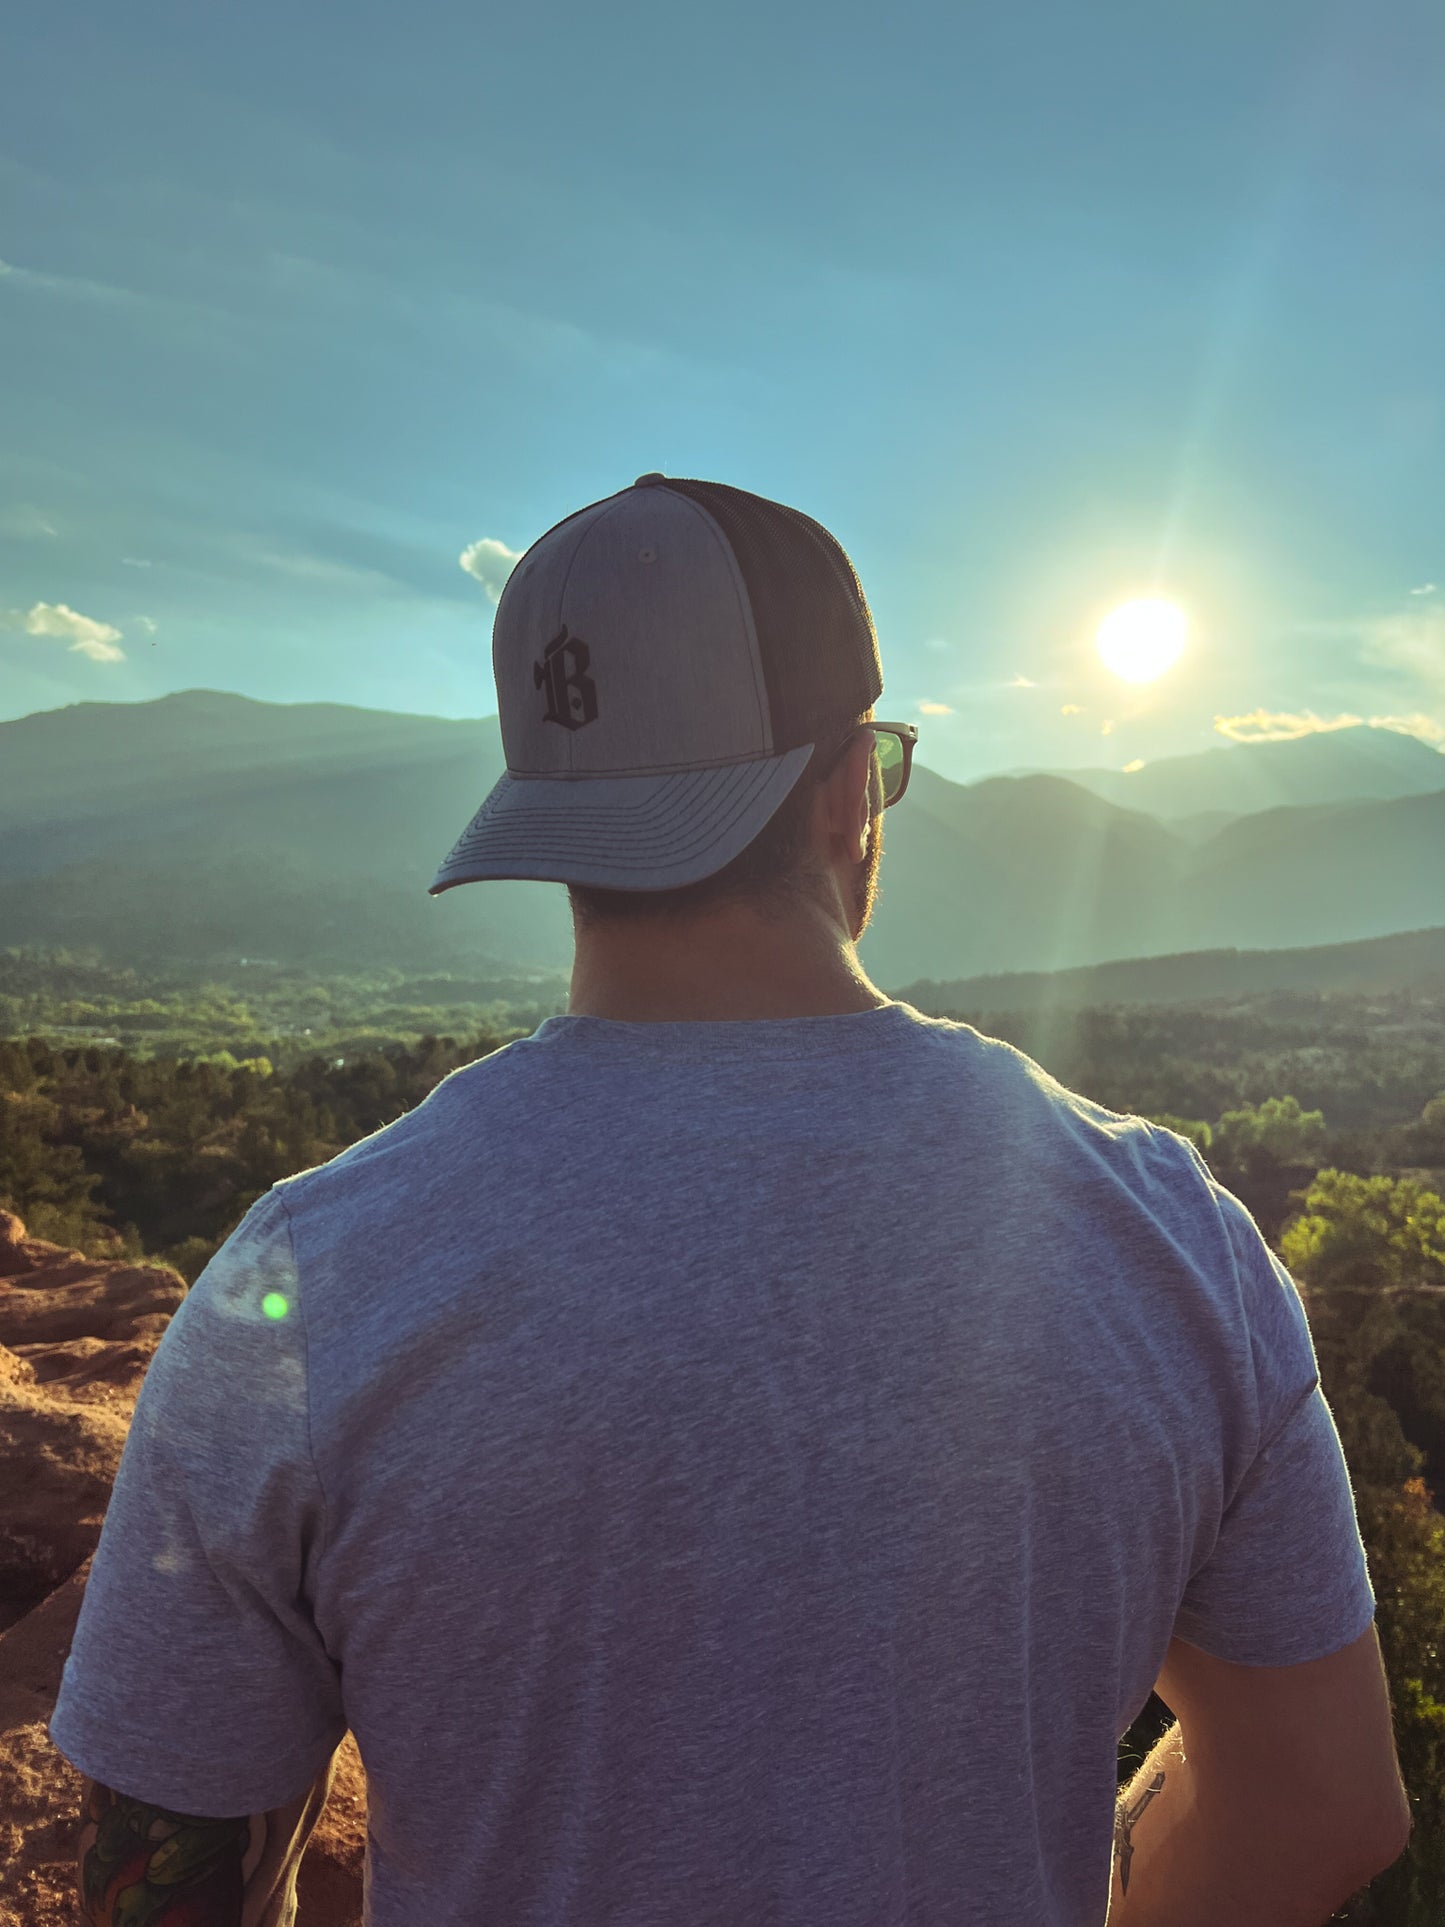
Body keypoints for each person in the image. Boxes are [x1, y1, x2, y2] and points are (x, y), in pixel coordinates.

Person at [51, 475, 1408, 1926]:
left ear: (549, 822)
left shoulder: (309, 1277)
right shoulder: (1166, 1237)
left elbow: (168, 1889)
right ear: (846, 790)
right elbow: (1316, 1812)